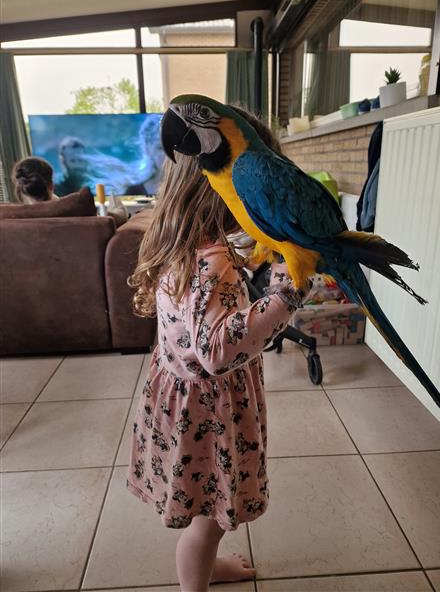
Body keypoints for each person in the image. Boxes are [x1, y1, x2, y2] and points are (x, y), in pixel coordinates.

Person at [126, 111, 304, 591]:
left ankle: (209, 563)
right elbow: (219, 351)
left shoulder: (184, 244)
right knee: (207, 520)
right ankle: (196, 581)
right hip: (210, 413)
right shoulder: (214, 264)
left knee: (210, 503)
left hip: (185, 403)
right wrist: (286, 294)